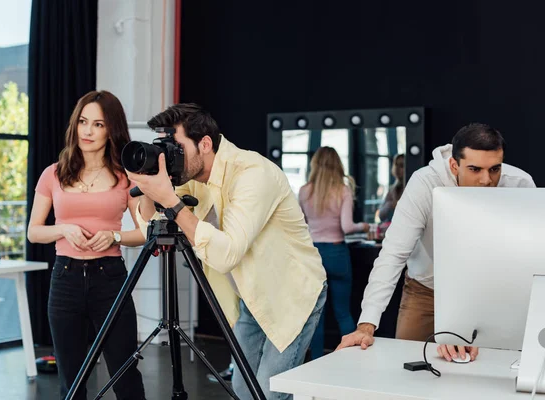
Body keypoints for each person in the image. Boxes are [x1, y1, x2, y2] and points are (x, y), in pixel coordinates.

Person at [127, 103, 327, 400]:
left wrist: (170, 200)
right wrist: (147, 184)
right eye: (163, 146)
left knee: (271, 394)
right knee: (243, 388)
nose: (169, 154)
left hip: (291, 293)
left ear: (205, 144)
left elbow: (227, 253)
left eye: (175, 146)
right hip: (251, 295)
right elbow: (151, 228)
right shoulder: (192, 179)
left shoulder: (252, 173)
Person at [336, 123, 535, 363]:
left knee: (492, 368)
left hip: (488, 292)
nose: (486, 180)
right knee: (407, 366)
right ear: (454, 165)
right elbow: (393, 255)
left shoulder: (519, 184)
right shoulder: (424, 183)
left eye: (495, 169)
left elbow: (527, 254)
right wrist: (366, 325)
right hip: (426, 290)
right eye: (475, 169)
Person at [27, 91, 146, 400]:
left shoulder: (126, 177)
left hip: (110, 279)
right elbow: (34, 232)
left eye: (98, 124)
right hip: (64, 279)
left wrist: (115, 236)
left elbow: (147, 232)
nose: (88, 131)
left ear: (111, 130)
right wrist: (62, 229)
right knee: (72, 379)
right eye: (82, 122)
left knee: (125, 373)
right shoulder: (53, 174)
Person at [298, 146, 369, 360]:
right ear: (338, 165)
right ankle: (351, 360)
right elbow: (347, 227)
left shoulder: (304, 191)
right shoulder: (343, 190)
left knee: (316, 316)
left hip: (313, 255)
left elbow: (300, 226)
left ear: (315, 165)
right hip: (337, 254)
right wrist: (363, 226)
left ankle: (317, 361)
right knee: (343, 312)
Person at [378, 153, 405, 223]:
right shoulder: (393, 188)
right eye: (396, 164)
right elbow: (381, 215)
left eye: (401, 166)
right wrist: (390, 204)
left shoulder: (412, 187)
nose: (397, 168)